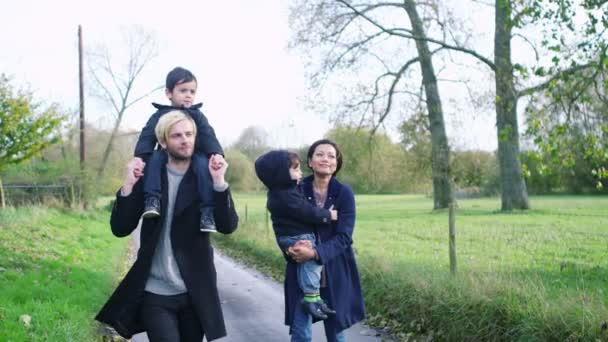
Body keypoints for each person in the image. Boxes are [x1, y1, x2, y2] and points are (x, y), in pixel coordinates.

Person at [95, 111, 239, 341]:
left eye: (190, 134)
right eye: (177, 135)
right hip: (155, 293)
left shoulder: (205, 174)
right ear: (162, 141)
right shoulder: (150, 175)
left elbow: (228, 226)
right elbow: (120, 228)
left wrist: (220, 182)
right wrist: (128, 186)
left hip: (195, 292)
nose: (185, 140)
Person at [284, 139, 366, 342]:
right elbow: (284, 224)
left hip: (334, 267)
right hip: (301, 267)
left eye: (331, 156)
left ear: (337, 163)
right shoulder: (297, 189)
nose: (326, 159)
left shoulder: (344, 193)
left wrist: (315, 253)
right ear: (310, 161)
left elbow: (344, 237)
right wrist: (289, 248)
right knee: (300, 332)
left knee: (335, 333)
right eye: (320, 154)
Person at [134, 66, 222, 232]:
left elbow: (208, 134)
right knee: (154, 159)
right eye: (183, 90)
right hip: (166, 152)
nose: (188, 95)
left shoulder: (197, 115)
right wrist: (140, 157)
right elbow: (147, 136)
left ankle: (207, 212)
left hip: (195, 155)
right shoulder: (160, 114)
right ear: (168, 93)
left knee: (203, 166)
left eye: (192, 91)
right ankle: (152, 200)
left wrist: (215, 154)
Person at [254, 150, 338, 321]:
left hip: (289, 236)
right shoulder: (285, 195)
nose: (300, 172)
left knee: (309, 266)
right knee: (312, 265)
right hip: (297, 237)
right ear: (280, 174)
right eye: (295, 169)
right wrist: (328, 215)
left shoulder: (282, 191)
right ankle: (311, 298)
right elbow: (306, 211)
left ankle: (314, 298)